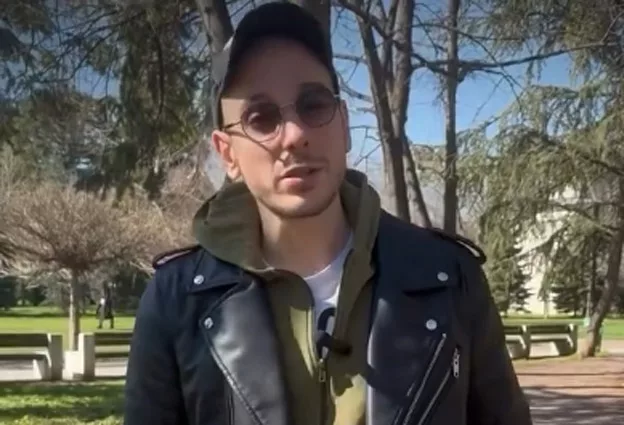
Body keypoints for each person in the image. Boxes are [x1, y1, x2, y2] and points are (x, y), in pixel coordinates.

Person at [123, 3, 532, 425]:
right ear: (227, 154)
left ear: (344, 125)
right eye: (260, 118)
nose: (295, 135)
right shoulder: (176, 302)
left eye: (314, 105)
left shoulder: (449, 279)